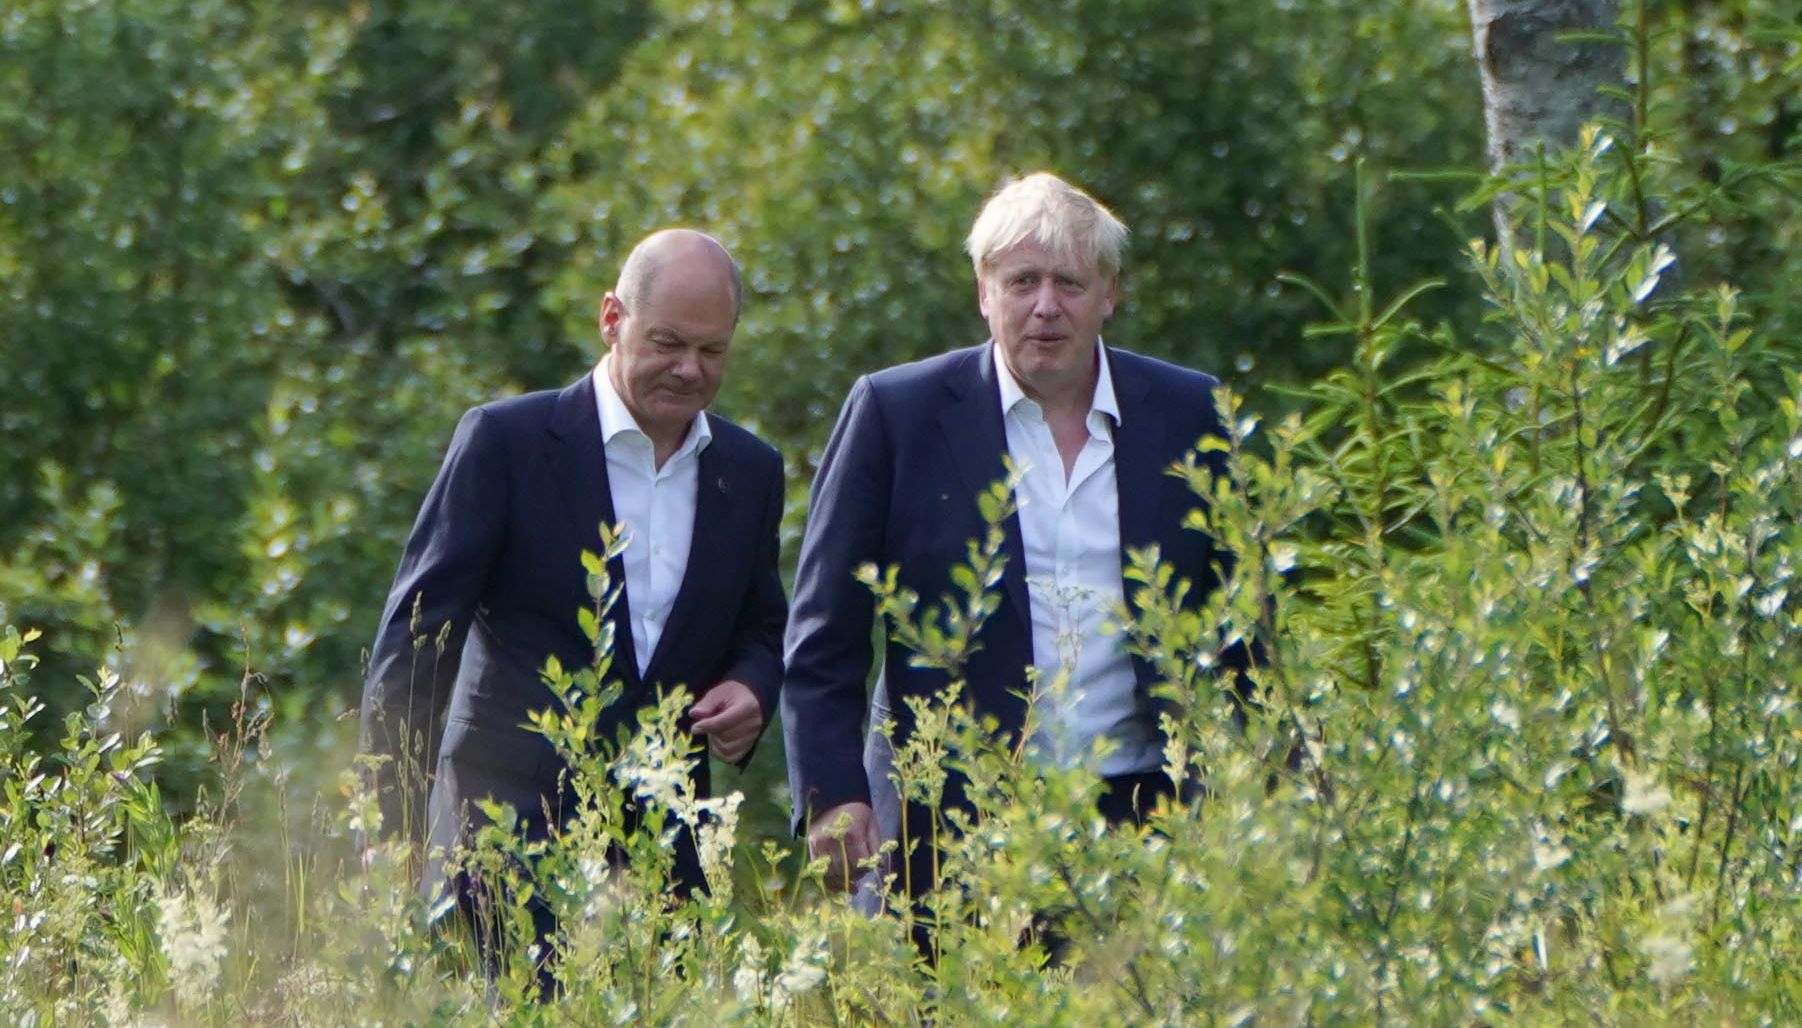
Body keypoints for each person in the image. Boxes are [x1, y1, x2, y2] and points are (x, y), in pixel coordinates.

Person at [781, 172, 1243, 907]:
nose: (1046, 306)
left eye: (1069, 282)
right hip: (943, 829)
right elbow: (825, 630)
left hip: (1146, 819)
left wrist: (1266, 793)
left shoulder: (1191, 414)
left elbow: (1244, 625)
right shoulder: (897, 414)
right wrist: (832, 794)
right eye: (1022, 280)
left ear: (1110, 295)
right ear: (984, 291)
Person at [358, 228, 787, 970]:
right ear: (612, 319)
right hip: (501, 836)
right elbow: (418, 639)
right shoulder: (506, 442)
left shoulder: (750, 472)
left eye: (712, 351)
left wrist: (753, 683)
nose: (689, 369)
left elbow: (764, 624)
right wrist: (390, 824)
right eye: (668, 342)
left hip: (662, 852)